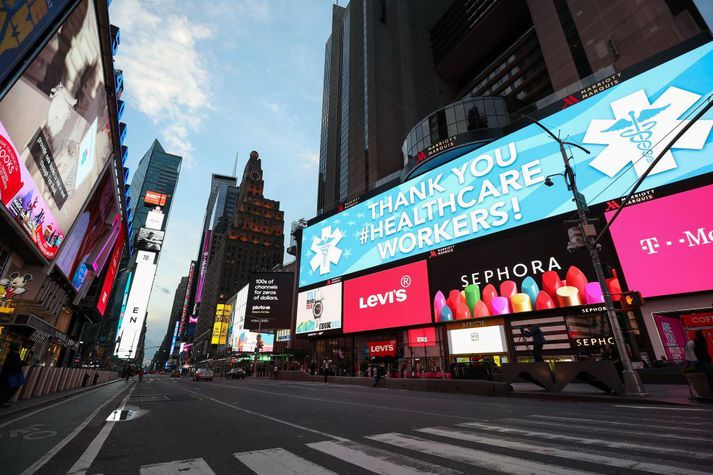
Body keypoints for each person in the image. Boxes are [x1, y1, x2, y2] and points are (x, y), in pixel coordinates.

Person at [0, 343, 25, 407]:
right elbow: (17, 364)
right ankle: (3, 401)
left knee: (6, 388)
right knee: (9, 388)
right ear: (16, 348)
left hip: (8, 374)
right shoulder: (14, 355)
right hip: (11, 375)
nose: (20, 347)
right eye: (19, 346)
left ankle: (3, 401)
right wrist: (24, 363)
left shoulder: (12, 354)